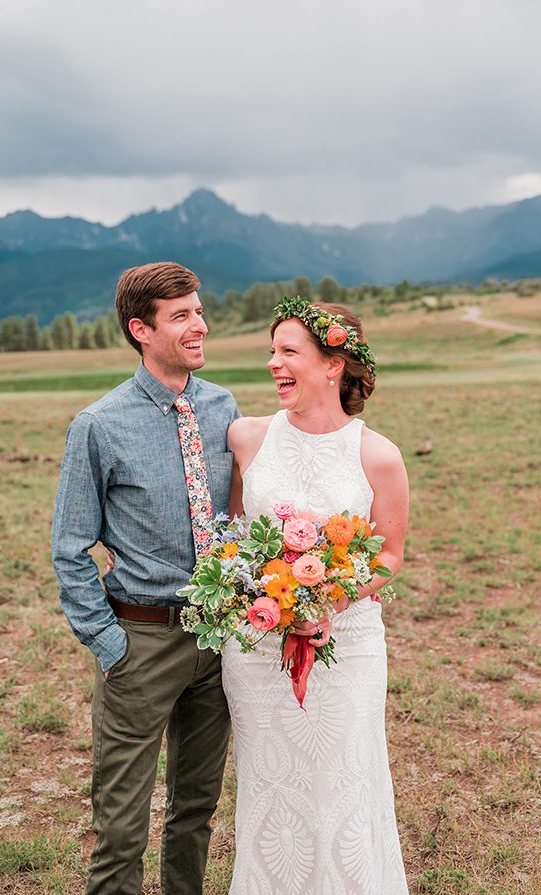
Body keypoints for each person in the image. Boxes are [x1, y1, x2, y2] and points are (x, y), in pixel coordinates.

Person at [52, 261, 240, 895]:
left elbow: (237, 514)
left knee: (196, 812)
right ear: (141, 329)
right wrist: (110, 646)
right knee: (121, 826)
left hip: (217, 639)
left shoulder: (223, 407)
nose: (200, 326)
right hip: (142, 641)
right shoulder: (98, 425)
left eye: (198, 310)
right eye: (181, 316)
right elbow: (70, 548)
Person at [221, 297, 409, 893]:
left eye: (289, 351)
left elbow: (389, 556)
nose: (274, 363)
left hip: (347, 647)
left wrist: (330, 602)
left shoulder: (378, 455)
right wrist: (262, 595)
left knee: (344, 785)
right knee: (270, 788)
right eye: (271, 351)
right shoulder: (246, 438)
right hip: (256, 648)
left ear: (333, 365)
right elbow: (230, 541)